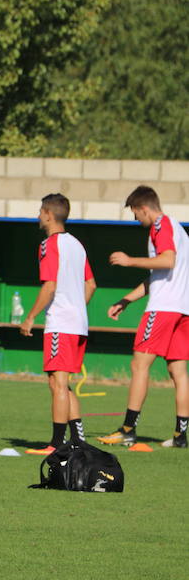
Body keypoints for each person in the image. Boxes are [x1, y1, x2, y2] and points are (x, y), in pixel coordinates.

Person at [99, 186, 189, 449]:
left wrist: (129, 261)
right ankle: (180, 435)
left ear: (144, 208)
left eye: (136, 214)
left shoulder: (161, 226)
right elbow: (159, 276)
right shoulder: (180, 231)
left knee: (139, 365)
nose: (136, 220)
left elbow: (167, 261)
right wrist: (126, 299)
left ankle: (127, 429)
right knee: (179, 372)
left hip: (163, 309)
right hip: (183, 308)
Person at [19, 194, 95, 454]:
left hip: (61, 324)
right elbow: (91, 284)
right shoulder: (77, 245)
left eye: (40, 211)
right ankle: (77, 439)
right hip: (78, 323)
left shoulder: (49, 244)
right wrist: (77, 308)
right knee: (61, 383)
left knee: (57, 384)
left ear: (49, 214)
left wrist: (31, 317)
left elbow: (49, 286)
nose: (38, 216)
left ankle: (56, 444)